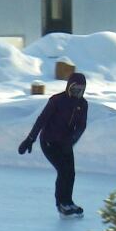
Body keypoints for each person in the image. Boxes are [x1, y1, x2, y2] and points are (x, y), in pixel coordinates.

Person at [18, 73, 88, 218]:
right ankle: (61, 204)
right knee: (63, 171)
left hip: (66, 143)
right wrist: (30, 138)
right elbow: (41, 120)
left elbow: (81, 126)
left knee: (71, 173)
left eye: (81, 89)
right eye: (75, 88)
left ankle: (68, 201)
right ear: (69, 86)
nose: (77, 91)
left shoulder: (83, 104)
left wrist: (72, 140)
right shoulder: (57, 100)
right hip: (49, 142)